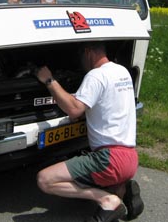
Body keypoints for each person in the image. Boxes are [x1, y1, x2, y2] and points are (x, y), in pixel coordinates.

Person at [35, 42, 144, 222]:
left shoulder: (96, 75)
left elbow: (74, 109)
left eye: (80, 56)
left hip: (108, 160)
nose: (80, 62)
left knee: (45, 179)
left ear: (88, 52)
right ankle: (122, 189)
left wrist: (49, 80)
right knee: (105, 177)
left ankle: (106, 199)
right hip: (130, 158)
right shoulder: (122, 72)